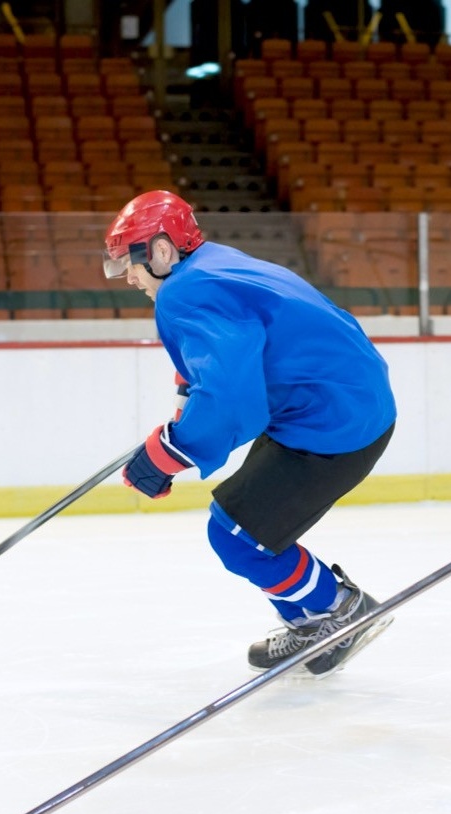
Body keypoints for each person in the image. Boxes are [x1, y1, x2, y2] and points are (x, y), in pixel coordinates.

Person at [103, 190, 397, 677]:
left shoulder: (181, 292)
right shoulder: (212, 263)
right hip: (344, 403)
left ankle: (342, 609)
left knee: (237, 537)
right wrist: (182, 418)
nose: (129, 276)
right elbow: (221, 356)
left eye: (130, 262)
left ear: (160, 250)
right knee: (244, 526)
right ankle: (315, 623)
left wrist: (167, 454)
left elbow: (232, 399)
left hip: (331, 421)